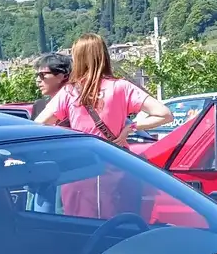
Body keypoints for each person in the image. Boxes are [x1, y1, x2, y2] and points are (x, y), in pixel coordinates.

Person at [35, 34, 173, 217]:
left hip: (80, 169)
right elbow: (165, 114)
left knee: (81, 227)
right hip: (116, 165)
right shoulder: (122, 87)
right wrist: (130, 128)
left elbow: (39, 126)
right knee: (118, 225)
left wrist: (68, 137)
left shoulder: (70, 91)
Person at [31, 52, 71, 123]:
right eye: (37, 75)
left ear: (62, 76)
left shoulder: (75, 105)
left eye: (42, 75)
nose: (38, 80)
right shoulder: (39, 105)